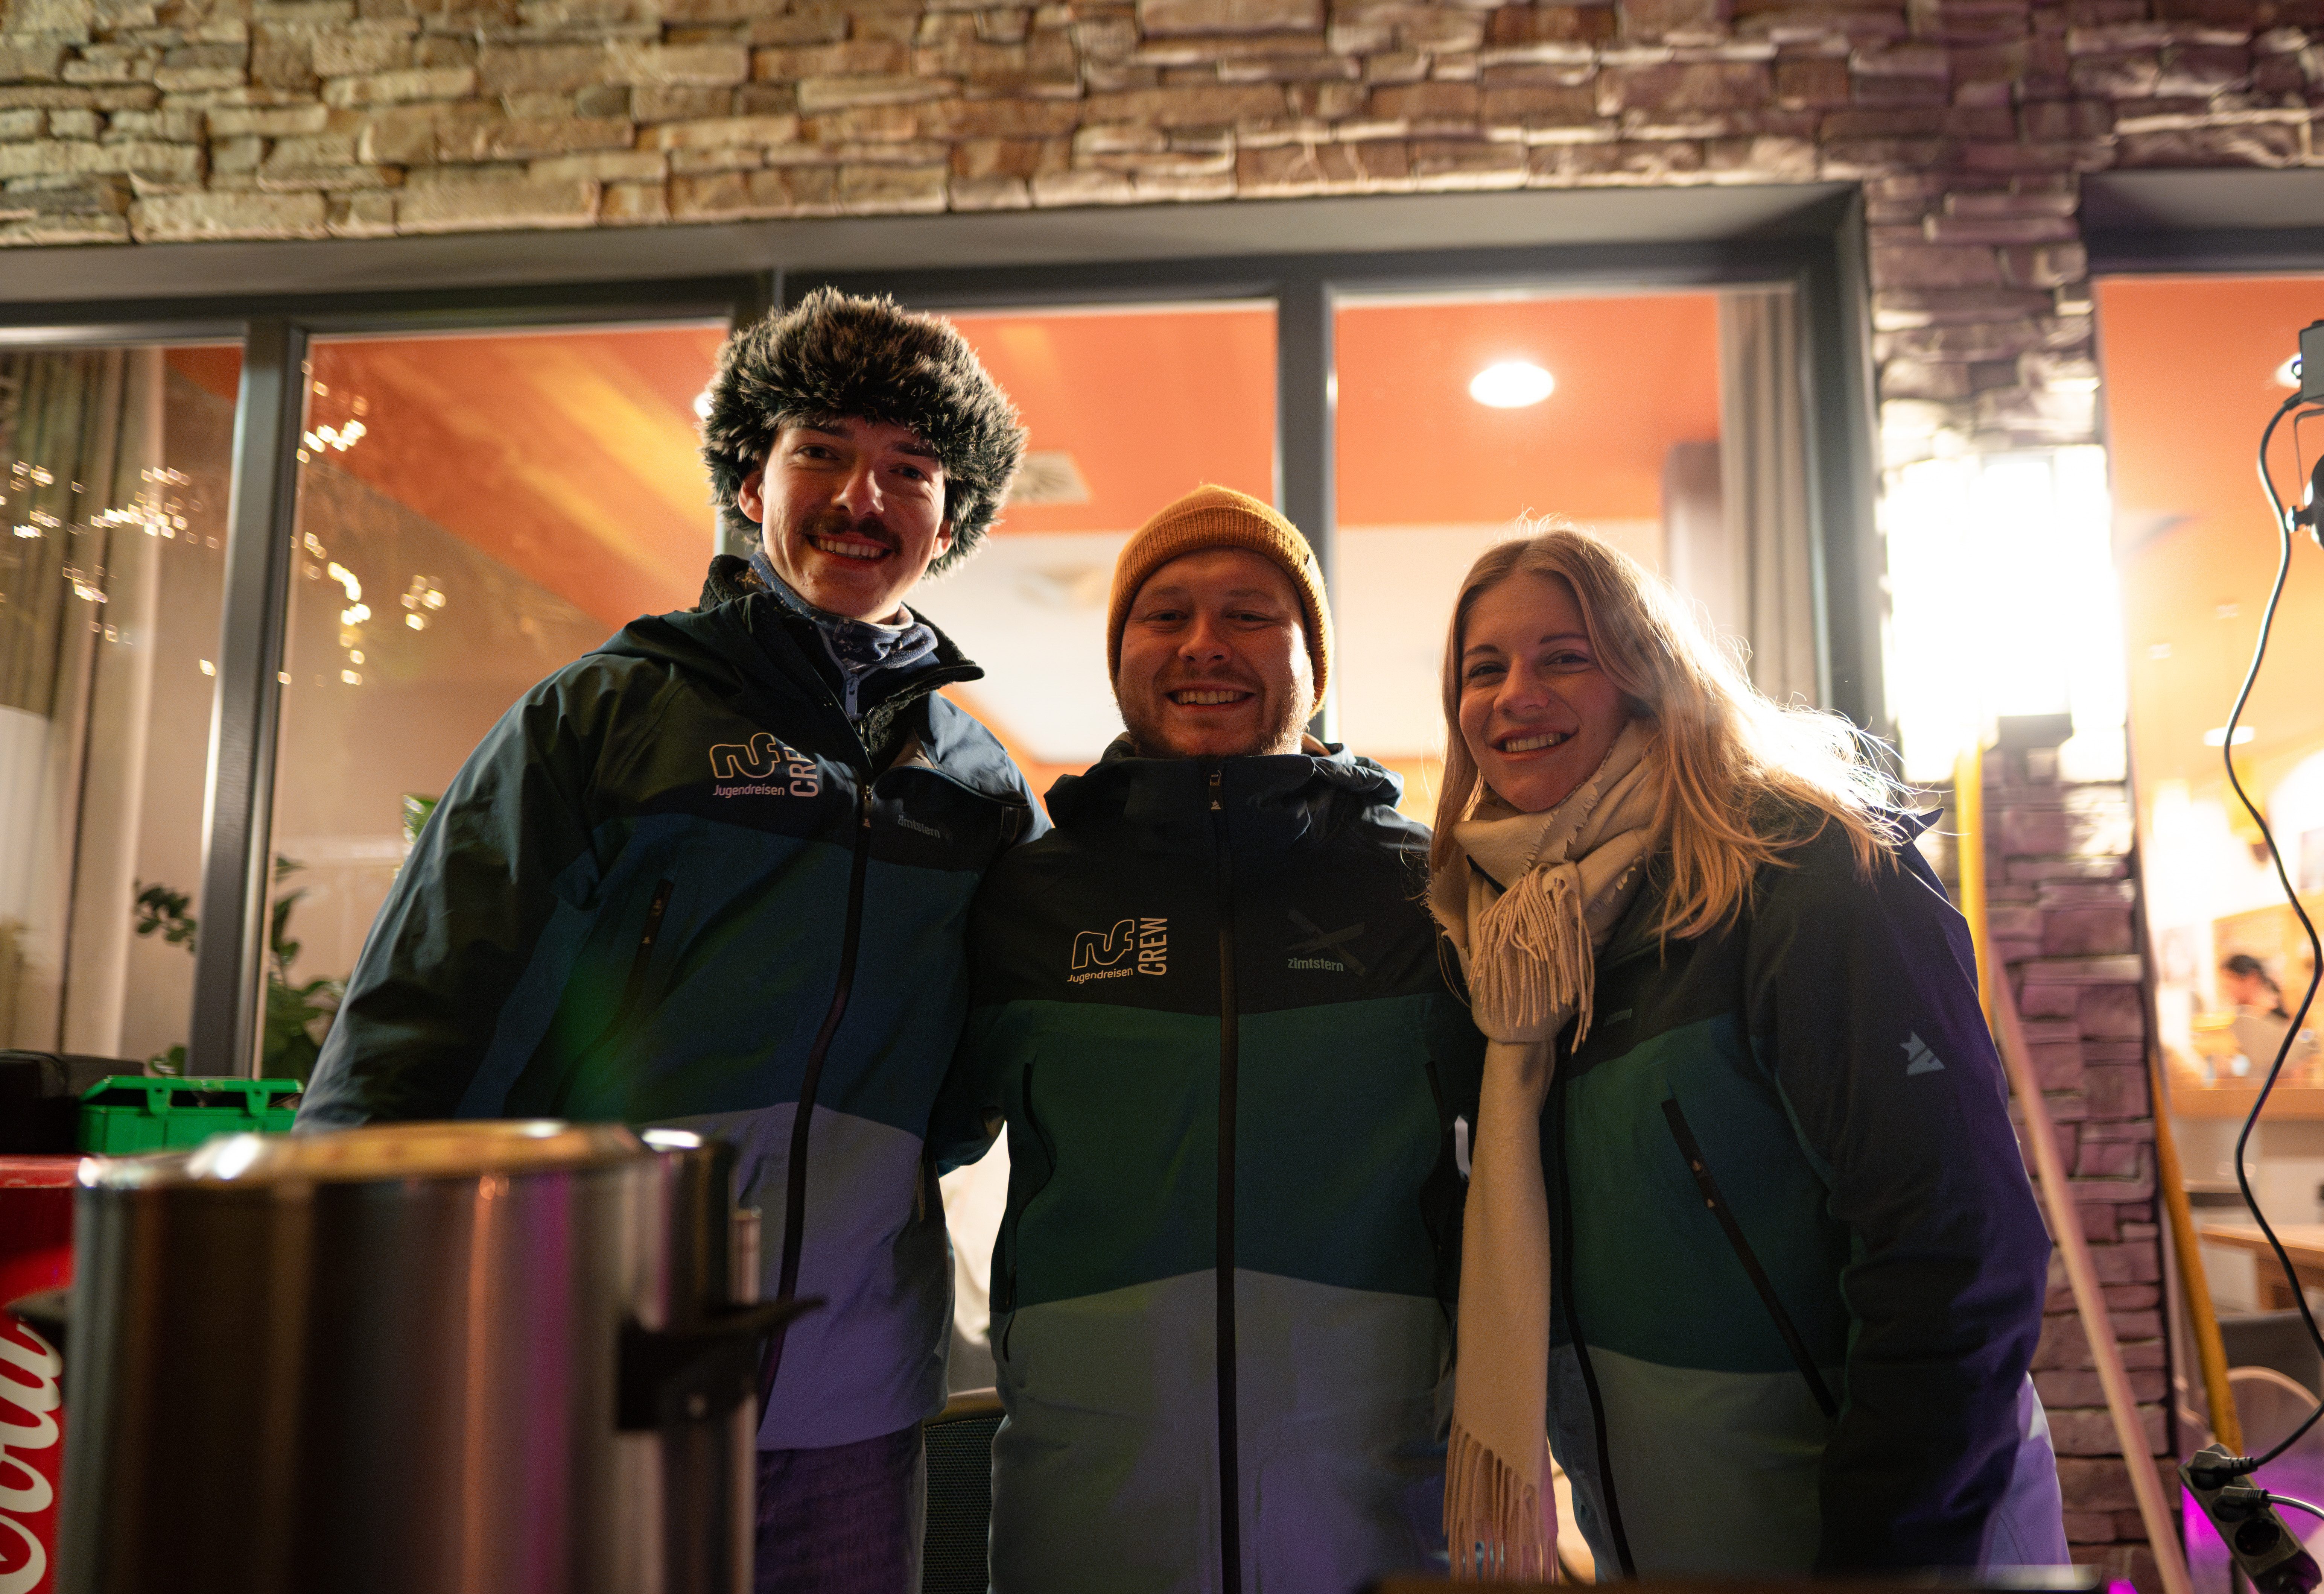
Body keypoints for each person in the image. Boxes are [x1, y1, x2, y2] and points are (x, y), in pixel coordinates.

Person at [297, 288, 1039, 1594]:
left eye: (910, 468)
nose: (861, 497)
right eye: (822, 450)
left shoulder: (979, 793)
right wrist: (340, 1299)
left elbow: (976, 1081)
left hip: (853, 1404)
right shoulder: (606, 717)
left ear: (951, 514)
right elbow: (420, 1023)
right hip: (585, 1369)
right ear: (751, 481)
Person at [1425, 527, 2064, 1578]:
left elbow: (1955, 1247)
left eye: (1565, 657)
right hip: (1670, 1541)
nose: (1514, 695)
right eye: (1482, 669)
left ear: (1647, 673)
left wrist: (1885, 1552)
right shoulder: (1506, 943)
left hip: (1889, 1541)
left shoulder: (1802, 868)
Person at [934, 485, 1482, 1594]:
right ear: (1121, 653)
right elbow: (913, 1134)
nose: (1203, 644)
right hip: (1085, 1513)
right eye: (1165, 613)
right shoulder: (1024, 898)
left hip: (1373, 1512)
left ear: (1312, 662)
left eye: (1249, 614)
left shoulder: (1428, 894)